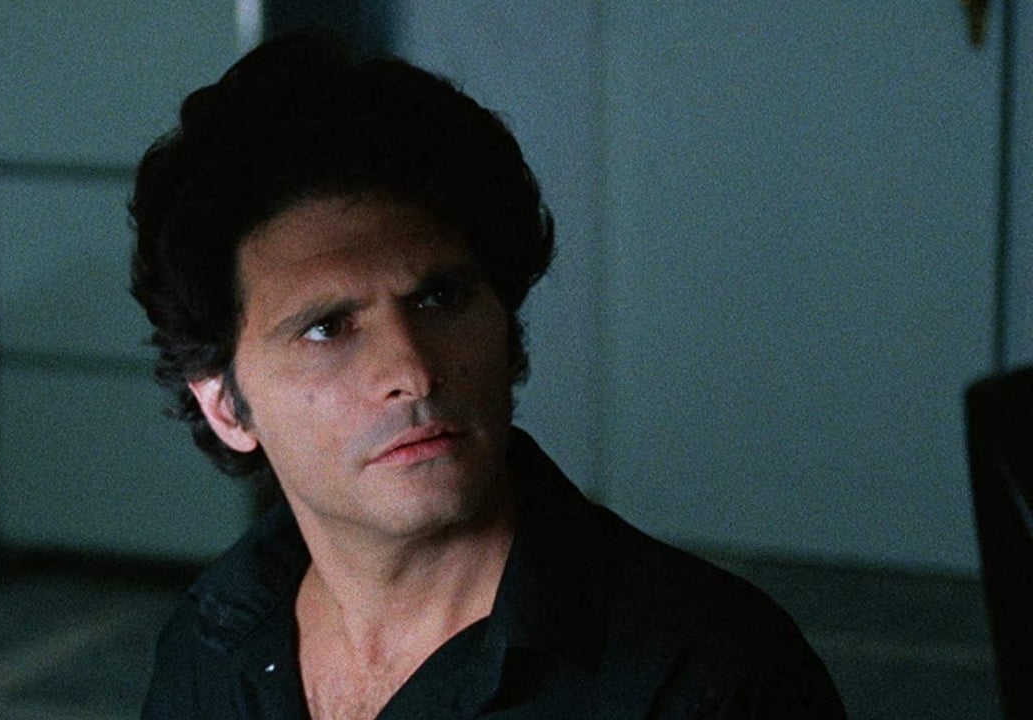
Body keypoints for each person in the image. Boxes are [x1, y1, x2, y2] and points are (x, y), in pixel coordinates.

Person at [129, 31, 846, 720]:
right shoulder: (211, 645)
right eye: (326, 328)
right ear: (226, 405)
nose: (412, 372)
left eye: (440, 298)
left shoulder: (707, 680)